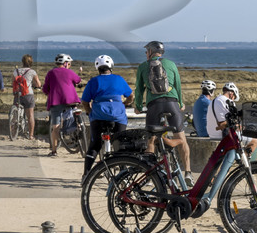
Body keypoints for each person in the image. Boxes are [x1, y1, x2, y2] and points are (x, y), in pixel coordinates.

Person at [134, 40, 188, 176]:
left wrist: (138, 106)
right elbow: (178, 85)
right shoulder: (171, 64)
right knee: (181, 137)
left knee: (151, 139)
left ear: (150, 52)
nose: (146, 54)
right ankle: (188, 172)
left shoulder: (143, 67)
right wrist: (180, 103)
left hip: (154, 105)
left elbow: (139, 90)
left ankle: (149, 174)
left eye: (146, 51)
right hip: (172, 102)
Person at [80, 54, 132, 172]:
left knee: (94, 145)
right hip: (118, 116)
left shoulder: (93, 81)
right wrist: (124, 104)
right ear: (111, 66)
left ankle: (86, 174)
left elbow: (85, 101)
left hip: (99, 116)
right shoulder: (119, 79)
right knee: (120, 145)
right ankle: (123, 173)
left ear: (97, 68)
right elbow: (131, 96)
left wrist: (90, 112)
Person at [44, 53, 81, 156]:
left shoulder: (51, 73)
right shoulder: (69, 72)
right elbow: (78, 80)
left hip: (56, 101)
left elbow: (45, 88)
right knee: (74, 112)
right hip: (71, 100)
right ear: (65, 63)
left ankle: (54, 151)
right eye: (69, 63)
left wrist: (49, 93)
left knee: (55, 126)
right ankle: (78, 129)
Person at [11, 54, 40, 141]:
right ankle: (31, 135)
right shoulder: (32, 72)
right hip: (28, 94)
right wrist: (35, 85)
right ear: (31, 62)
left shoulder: (16, 71)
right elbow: (38, 84)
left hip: (17, 94)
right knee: (30, 115)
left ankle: (12, 132)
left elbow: (13, 82)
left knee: (15, 115)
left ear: (22, 62)